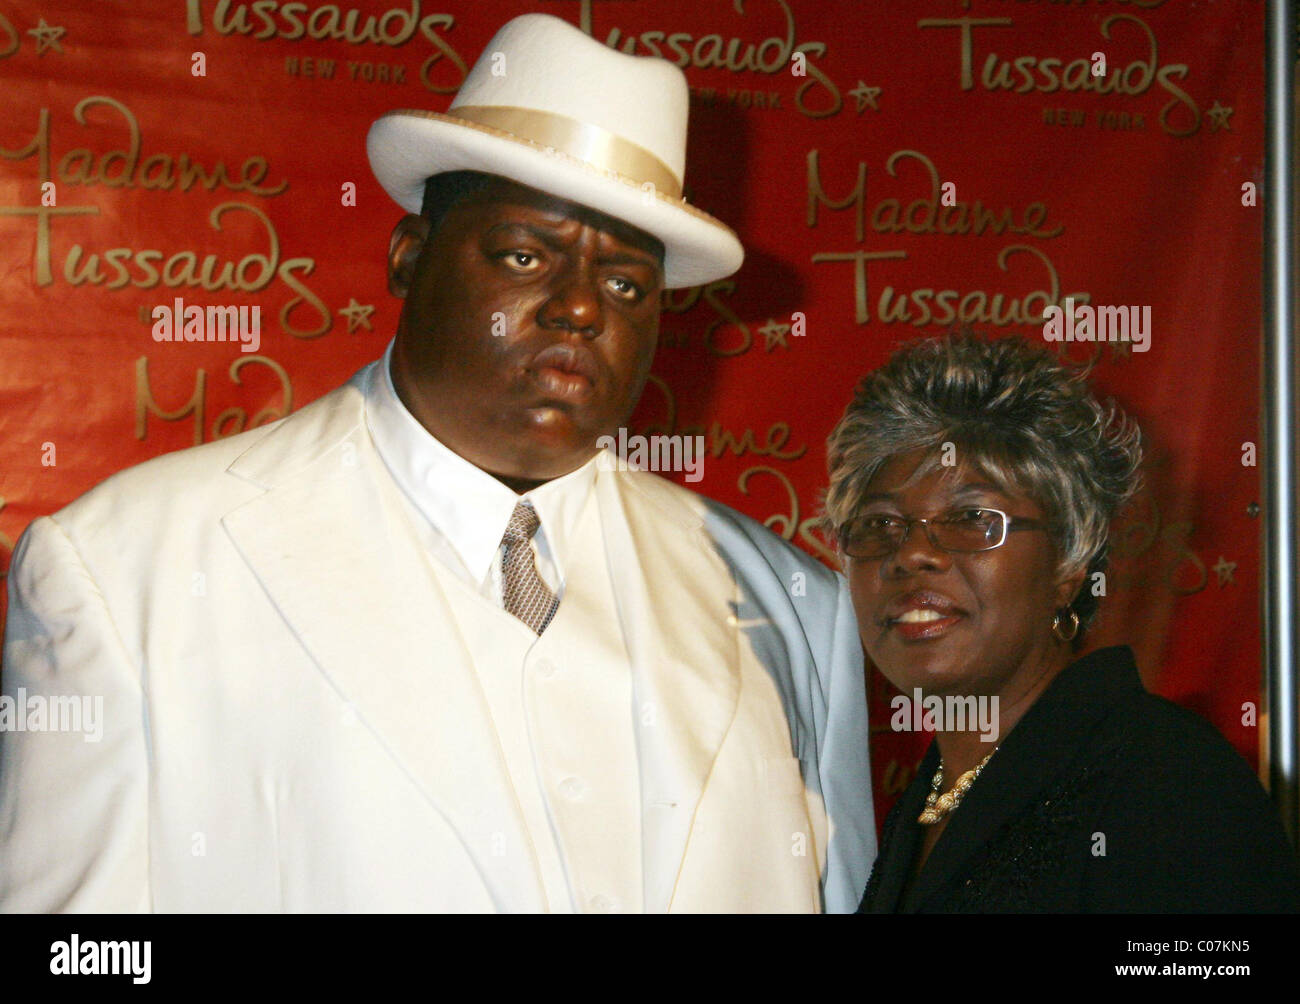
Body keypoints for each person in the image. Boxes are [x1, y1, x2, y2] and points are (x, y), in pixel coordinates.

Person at [0, 14, 873, 913]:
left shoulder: (790, 603)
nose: (579, 308)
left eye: (624, 284)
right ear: (409, 257)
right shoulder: (129, 567)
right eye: (526, 255)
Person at [823, 333, 1300, 912]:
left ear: (1069, 564)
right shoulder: (927, 802)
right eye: (878, 524)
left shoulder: (1162, 778)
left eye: (973, 517)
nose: (911, 554)